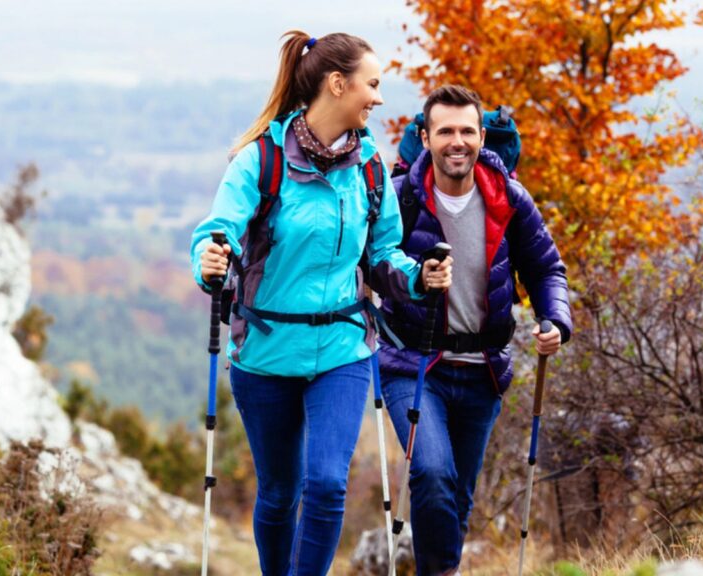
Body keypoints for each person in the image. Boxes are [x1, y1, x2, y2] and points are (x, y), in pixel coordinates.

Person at [190, 30, 449, 576]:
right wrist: (210, 259)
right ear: (337, 84)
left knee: (328, 483)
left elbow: (384, 253)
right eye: (372, 84)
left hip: (343, 348)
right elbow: (219, 232)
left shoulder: (371, 166)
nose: (378, 98)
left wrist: (418, 277)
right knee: (280, 493)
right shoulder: (260, 161)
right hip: (265, 352)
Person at [378, 85, 573, 576]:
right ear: (425, 137)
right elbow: (372, 266)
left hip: (484, 369)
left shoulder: (507, 197)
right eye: (445, 131)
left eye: (467, 130)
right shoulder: (399, 198)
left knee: (458, 497)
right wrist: (413, 278)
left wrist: (556, 321)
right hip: (414, 363)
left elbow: (547, 269)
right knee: (431, 472)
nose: (457, 141)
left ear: (482, 135)